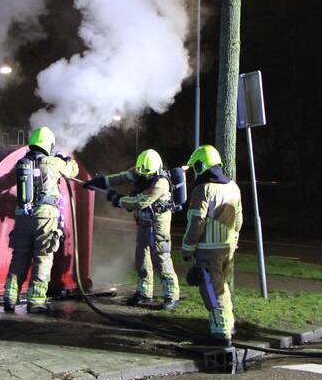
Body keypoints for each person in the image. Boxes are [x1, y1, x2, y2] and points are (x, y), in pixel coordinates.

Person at [85, 149, 180, 310]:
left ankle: (172, 295)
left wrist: (118, 200)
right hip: (144, 221)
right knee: (142, 258)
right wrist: (102, 182)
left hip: (158, 224)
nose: (144, 177)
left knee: (161, 258)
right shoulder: (142, 169)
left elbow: (139, 201)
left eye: (146, 175)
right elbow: (122, 177)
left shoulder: (160, 183)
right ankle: (144, 293)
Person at [4, 126, 79, 313]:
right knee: (43, 257)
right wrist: (67, 159)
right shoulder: (53, 162)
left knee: (19, 258)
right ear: (49, 144)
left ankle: (10, 298)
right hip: (45, 217)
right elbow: (73, 170)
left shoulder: (22, 162)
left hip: (23, 216)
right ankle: (36, 300)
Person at [180, 145, 243, 345]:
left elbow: (196, 222)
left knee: (212, 292)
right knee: (222, 287)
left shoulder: (203, 189)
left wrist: (187, 249)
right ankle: (229, 325)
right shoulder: (233, 186)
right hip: (228, 248)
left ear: (201, 165)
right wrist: (234, 240)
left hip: (208, 251)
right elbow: (239, 219)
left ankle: (221, 334)